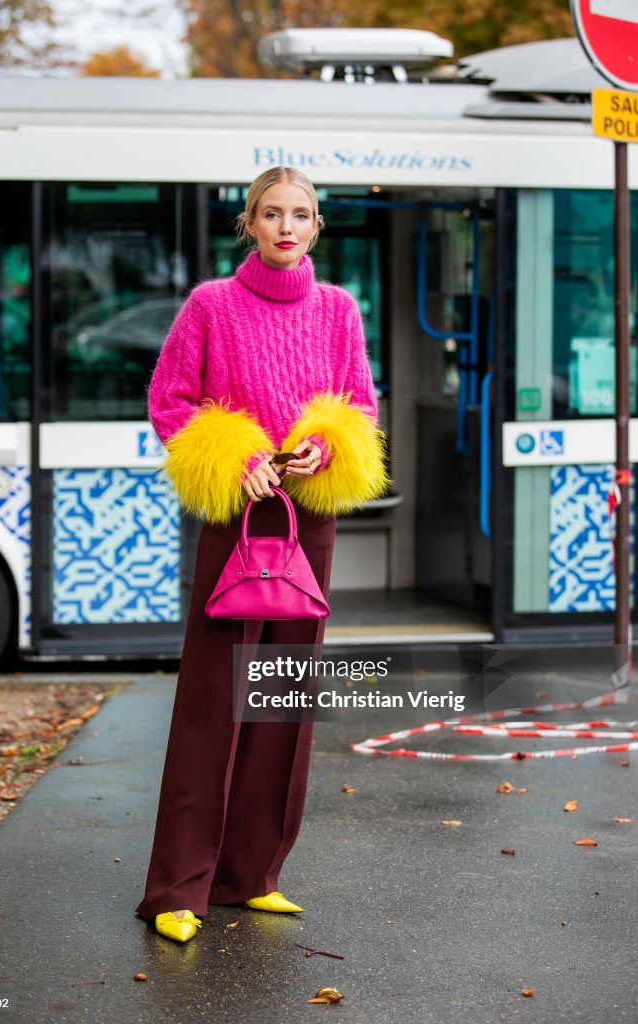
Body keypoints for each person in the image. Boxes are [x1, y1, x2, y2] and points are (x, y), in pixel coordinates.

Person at [135, 165, 388, 943]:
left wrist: (321, 444)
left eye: (300, 214)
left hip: (307, 514)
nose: (285, 226)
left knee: (281, 699)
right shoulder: (210, 304)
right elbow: (171, 401)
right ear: (247, 223)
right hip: (236, 515)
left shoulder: (339, 310)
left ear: (317, 227)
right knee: (215, 701)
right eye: (270, 213)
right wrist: (232, 455)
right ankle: (178, 887)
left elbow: (358, 405)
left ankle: (253, 876)